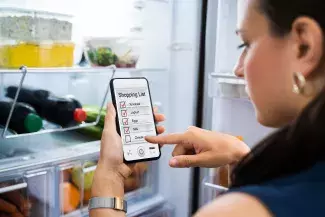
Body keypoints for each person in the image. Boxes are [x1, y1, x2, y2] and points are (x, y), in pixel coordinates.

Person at [90, 0, 325, 216]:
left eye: (247, 43)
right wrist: (244, 159)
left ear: (303, 46)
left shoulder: (242, 212)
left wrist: (109, 176)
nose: (238, 69)